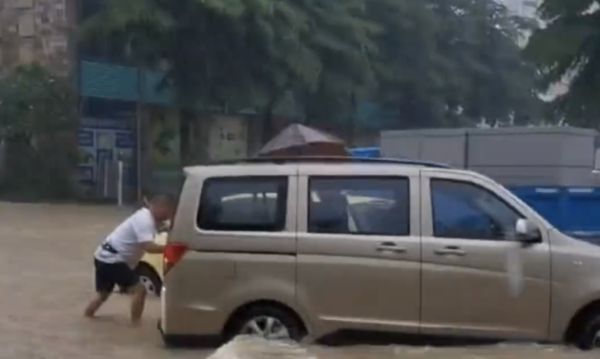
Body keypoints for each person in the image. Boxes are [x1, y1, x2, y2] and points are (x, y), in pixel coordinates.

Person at [84, 195, 175, 324]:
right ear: (158, 207)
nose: (169, 215)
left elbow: (159, 227)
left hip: (103, 256)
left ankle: (87, 317)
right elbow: (148, 247)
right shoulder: (145, 220)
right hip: (113, 260)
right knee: (140, 289)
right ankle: (135, 325)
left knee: (103, 294)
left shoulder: (147, 217)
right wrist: (169, 249)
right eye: (168, 211)